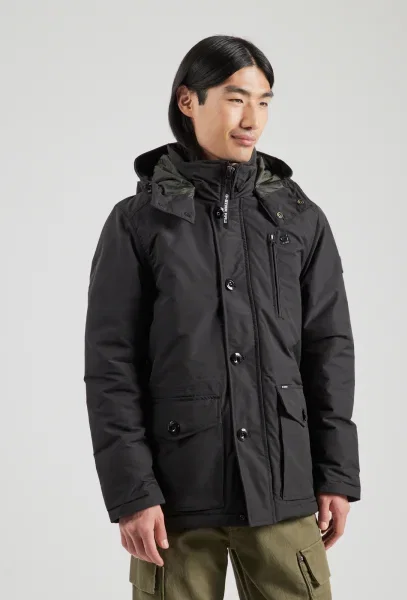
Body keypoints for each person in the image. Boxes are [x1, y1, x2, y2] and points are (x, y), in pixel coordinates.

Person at [84, 34, 361, 600]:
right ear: (189, 100)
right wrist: (133, 492)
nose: (251, 119)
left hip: (283, 484)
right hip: (176, 498)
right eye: (236, 99)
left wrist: (336, 472)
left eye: (264, 101)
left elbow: (328, 351)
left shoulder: (300, 220)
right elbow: (111, 367)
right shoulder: (138, 223)